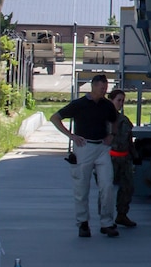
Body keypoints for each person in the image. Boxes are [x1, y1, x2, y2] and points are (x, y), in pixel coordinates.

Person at [51, 73, 122, 238]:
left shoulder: (107, 105)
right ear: (93, 86)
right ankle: (83, 222)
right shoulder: (79, 104)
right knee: (82, 187)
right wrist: (71, 136)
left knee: (107, 185)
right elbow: (55, 118)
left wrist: (111, 135)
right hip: (84, 147)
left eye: (106, 88)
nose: (104, 91)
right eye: (101, 87)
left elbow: (115, 120)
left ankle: (107, 222)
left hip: (102, 148)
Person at [108, 89, 138, 228]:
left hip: (124, 158)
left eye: (122, 101)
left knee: (127, 187)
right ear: (111, 101)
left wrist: (135, 156)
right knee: (106, 189)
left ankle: (122, 214)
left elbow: (129, 140)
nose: (121, 103)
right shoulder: (105, 120)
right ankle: (106, 218)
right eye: (118, 100)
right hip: (109, 159)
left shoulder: (124, 121)